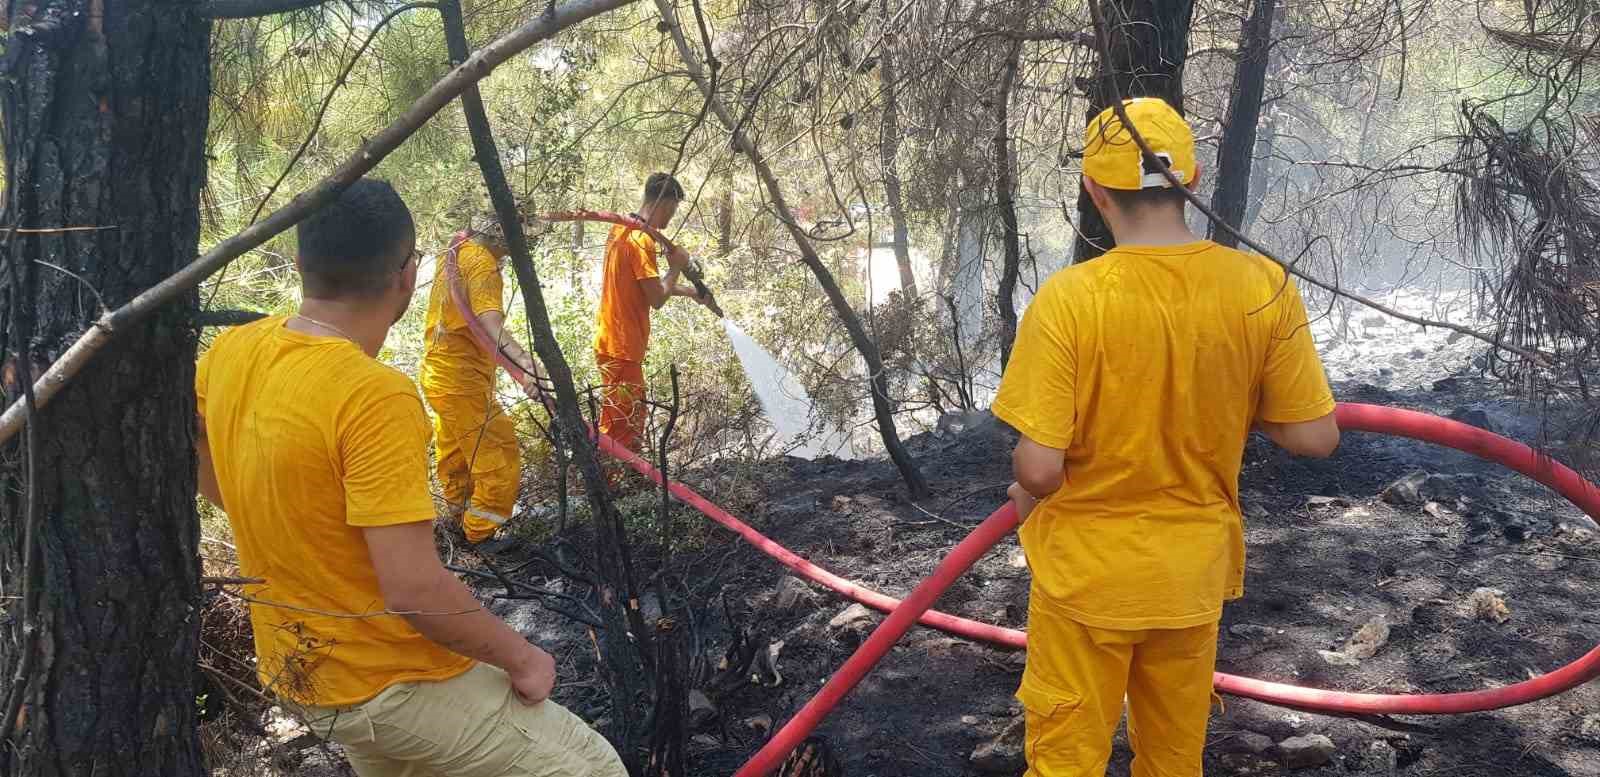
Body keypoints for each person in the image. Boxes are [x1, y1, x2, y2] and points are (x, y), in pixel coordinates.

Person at [195, 179, 625, 777]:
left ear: (300, 262)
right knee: (593, 768)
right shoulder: (374, 396)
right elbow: (412, 587)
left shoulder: (231, 351)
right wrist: (522, 657)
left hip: (299, 672)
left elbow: (218, 479)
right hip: (386, 682)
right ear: (408, 275)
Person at [991, 97, 1341, 777]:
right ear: (1194, 178)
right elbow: (1316, 436)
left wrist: (1018, 478)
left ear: (1093, 189)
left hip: (1086, 585)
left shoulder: (1070, 299)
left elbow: (1039, 471)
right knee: (1174, 762)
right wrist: (1243, 399)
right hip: (1189, 583)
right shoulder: (1261, 286)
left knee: (1066, 762)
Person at [420, 214, 546, 545]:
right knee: (498, 455)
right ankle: (481, 535)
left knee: (458, 453)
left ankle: (459, 519)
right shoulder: (483, 264)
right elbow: (489, 323)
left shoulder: (458, 249)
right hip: (461, 383)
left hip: (439, 376)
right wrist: (525, 363)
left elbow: (471, 324)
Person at [594, 172, 710, 453]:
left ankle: (618, 482)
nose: (671, 218)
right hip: (622, 346)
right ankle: (613, 487)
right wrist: (676, 266)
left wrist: (693, 292)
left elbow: (643, 288)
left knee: (625, 418)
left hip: (614, 342)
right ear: (663, 203)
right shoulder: (639, 240)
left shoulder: (622, 230)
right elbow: (657, 298)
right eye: (673, 209)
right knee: (623, 423)